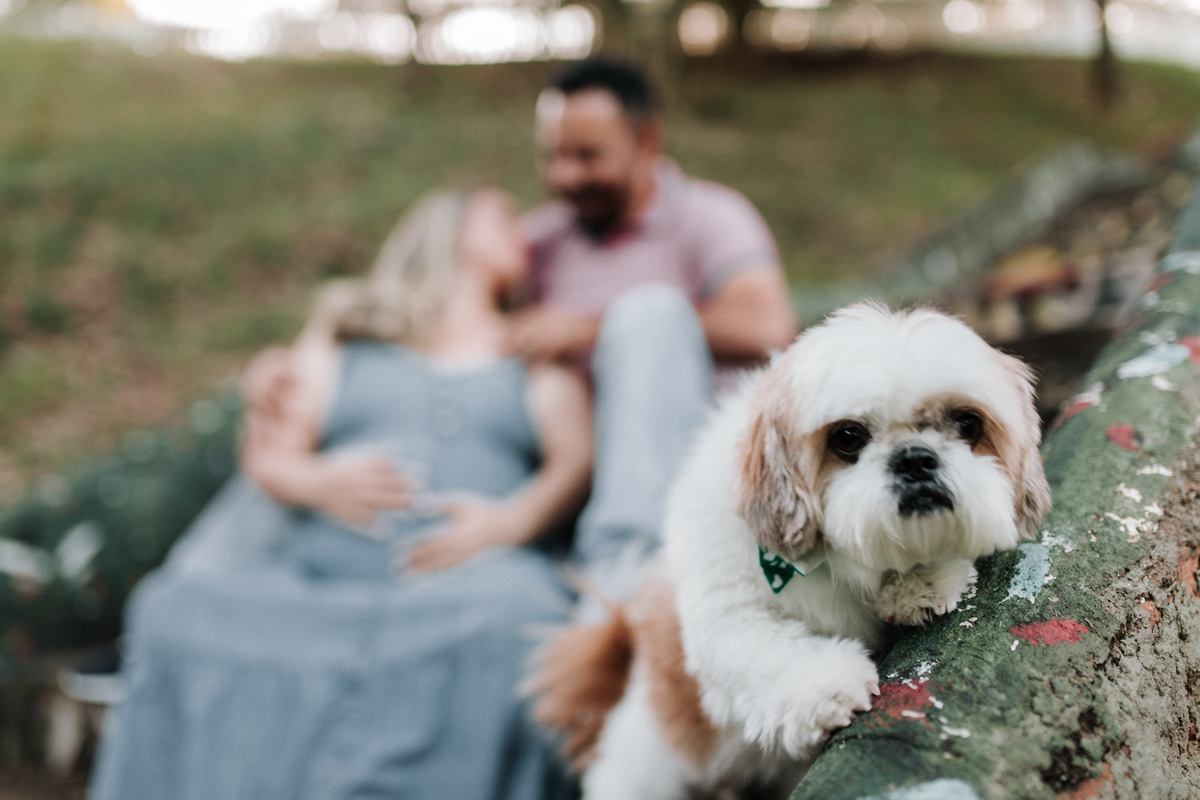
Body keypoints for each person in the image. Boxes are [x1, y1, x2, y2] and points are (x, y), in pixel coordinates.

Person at [88, 188, 592, 800]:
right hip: (319, 583)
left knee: (527, 619)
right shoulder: (348, 333)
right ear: (448, 227)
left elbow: (574, 460)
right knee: (173, 607)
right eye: (502, 215)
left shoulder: (533, 349)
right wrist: (317, 479)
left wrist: (508, 524)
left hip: (468, 586)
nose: (524, 230)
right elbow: (273, 456)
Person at [511, 57, 798, 598]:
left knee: (648, 316)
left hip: (692, 474)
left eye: (587, 156)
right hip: (571, 470)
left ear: (647, 141)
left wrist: (587, 330)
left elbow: (766, 321)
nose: (566, 176)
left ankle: (629, 576)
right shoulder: (544, 240)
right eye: (553, 157)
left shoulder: (709, 214)